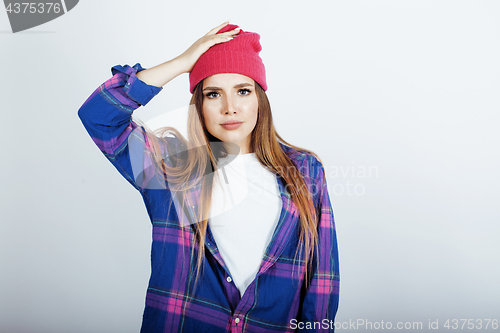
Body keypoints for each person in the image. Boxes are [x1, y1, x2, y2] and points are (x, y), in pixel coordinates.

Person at [78, 22, 340, 333]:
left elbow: (322, 281)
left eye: (243, 91)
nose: (230, 108)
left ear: (260, 99)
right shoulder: (171, 168)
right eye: (213, 93)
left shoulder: (305, 171)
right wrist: (182, 63)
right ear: (199, 105)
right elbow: (99, 116)